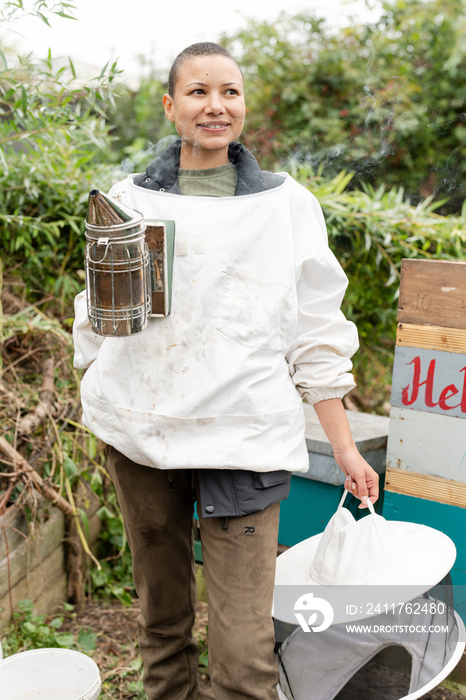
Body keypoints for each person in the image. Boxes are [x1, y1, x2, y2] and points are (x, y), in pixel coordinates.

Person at [73, 42, 379, 700]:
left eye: (230, 92)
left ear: (244, 105)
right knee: (162, 628)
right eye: (198, 91)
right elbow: (96, 312)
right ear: (170, 106)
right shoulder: (128, 198)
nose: (216, 105)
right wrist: (102, 394)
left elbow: (317, 333)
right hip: (143, 438)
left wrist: (347, 446)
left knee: (244, 661)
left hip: (244, 443)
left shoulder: (286, 206)